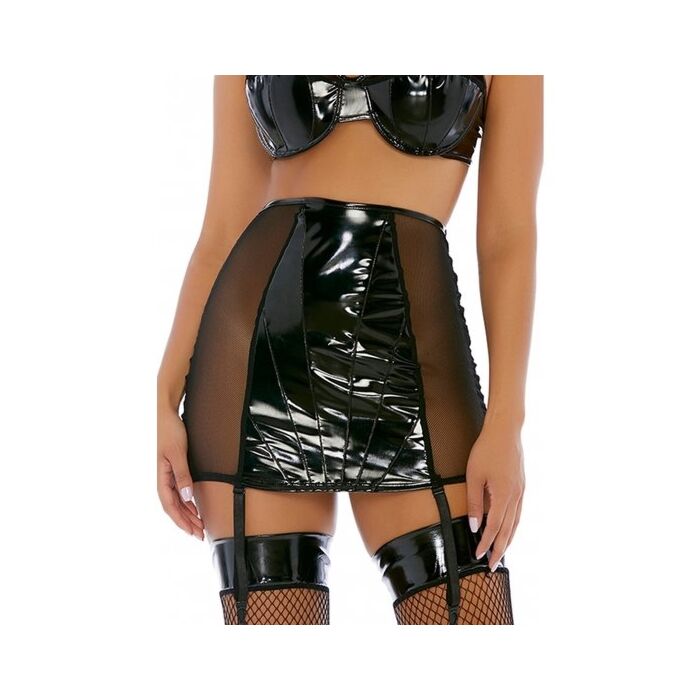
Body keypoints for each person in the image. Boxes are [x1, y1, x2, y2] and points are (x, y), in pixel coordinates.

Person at [156, 75, 542, 625]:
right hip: (257, 366)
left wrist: (506, 421)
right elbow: (221, 232)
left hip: (414, 364)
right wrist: (163, 395)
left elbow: (508, 235)